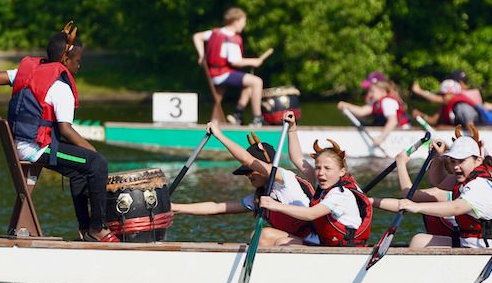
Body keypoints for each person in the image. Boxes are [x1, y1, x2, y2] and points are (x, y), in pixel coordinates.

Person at [0, 22, 115, 242]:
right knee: (98, 163)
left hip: (19, 145)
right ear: (65, 59)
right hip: (36, 149)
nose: (79, 66)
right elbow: (65, 130)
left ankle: (85, 229)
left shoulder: (27, 73)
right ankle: (98, 229)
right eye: (78, 61)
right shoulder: (61, 87)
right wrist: (93, 152)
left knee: (78, 171)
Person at [170, 120, 314, 245]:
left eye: (250, 171)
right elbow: (217, 207)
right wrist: (174, 207)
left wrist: (219, 135)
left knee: (264, 235)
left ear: (267, 167)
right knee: (257, 236)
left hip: (317, 241)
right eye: (246, 172)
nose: (248, 175)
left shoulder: (285, 179)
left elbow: (247, 160)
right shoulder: (260, 197)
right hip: (297, 242)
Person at [377, 133, 492, 249]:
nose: (456, 166)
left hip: (490, 249)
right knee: (419, 241)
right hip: (476, 243)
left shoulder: (479, 185)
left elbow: (456, 207)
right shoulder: (473, 177)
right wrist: (438, 158)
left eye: (461, 161)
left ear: (478, 160)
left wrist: (416, 206)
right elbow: (438, 182)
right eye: (453, 161)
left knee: (418, 241)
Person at [259, 117, 373, 246]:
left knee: (283, 242)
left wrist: (275, 205)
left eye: (327, 168)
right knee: (264, 235)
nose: (321, 172)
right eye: (318, 167)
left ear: (342, 172)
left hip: (343, 249)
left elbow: (311, 214)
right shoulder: (325, 183)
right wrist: (292, 128)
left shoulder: (341, 195)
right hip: (325, 242)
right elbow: (297, 158)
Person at [192, 7, 274, 126]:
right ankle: (257, 118)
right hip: (223, 74)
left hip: (213, 73)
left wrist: (201, 55)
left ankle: (236, 115)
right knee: (257, 82)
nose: (244, 25)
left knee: (248, 86)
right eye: (243, 21)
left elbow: (197, 37)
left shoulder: (215, 32)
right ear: (236, 21)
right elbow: (235, 62)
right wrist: (254, 62)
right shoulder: (232, 39)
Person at [338, 74, 411, 150]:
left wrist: (381, 138)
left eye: (372, 91)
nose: (369, 94)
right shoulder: (376, 103)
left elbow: (393, 121)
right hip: (388, 130)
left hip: (401, 131)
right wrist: (347, 107)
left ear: (382, 91)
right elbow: (361, 112)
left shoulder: (387, 102)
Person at [411, 70, 490, 126]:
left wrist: (418, 91)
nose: (442, 97)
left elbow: (471, 128)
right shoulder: (448, 104)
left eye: (444, 95)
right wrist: (421, 115)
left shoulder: (462, 106)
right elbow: (434, 120)